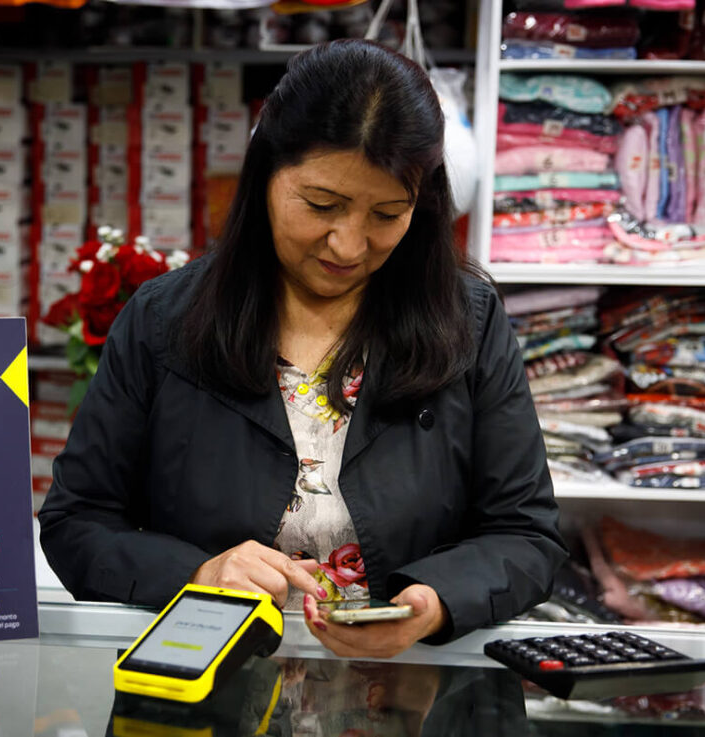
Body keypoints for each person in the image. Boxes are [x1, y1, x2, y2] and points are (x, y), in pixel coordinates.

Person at [39, 38, 567, 658]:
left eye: (387, 214)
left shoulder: (467, 323)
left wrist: (435, 602)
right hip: (209, 681)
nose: (348, 245)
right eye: (322, 205)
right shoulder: (162, 322)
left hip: (408, 688)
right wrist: (197, 576)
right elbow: (77, 523)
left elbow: (526, 535)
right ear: (266, 172)